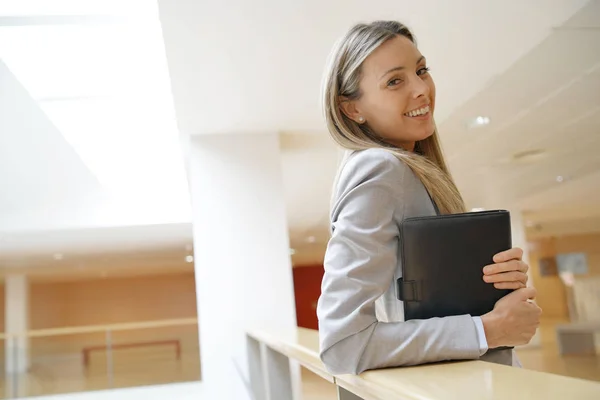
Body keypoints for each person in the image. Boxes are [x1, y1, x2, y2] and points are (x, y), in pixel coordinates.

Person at [316, 20, 542, 375]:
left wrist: (490, 283)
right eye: (395, 81)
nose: (422, 89)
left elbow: (427, 300)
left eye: (421, 71)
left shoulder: (410, 171)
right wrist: (486, 330)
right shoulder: (380, 169)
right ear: (351, 109)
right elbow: (342, 345)